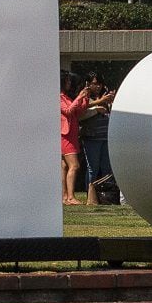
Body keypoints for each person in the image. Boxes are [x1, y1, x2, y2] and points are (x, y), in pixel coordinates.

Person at [79, 75, 115, 205]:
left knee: (106, 168)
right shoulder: (84, 97)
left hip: (105, 136)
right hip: (91, 137)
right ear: (89, 84)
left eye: (100, 84)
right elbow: (80, 113)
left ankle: (106, 197)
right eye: (95, 84)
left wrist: (110, 101)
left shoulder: (104, 98)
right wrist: (97, 107)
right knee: (92, 168)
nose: (98, 86)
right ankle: (91, 197)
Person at [59, 72, 90, 205]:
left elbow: (79, 112)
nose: (69, 83)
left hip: (71, 134)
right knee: (74, 165)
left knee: (65, 166)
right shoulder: (59, 97)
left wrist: (85, 98)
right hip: (65, 136)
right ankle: (70, 196)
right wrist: (79, 97)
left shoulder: (66, 97)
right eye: (67, 81)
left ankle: (65, 196)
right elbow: (68, 111)